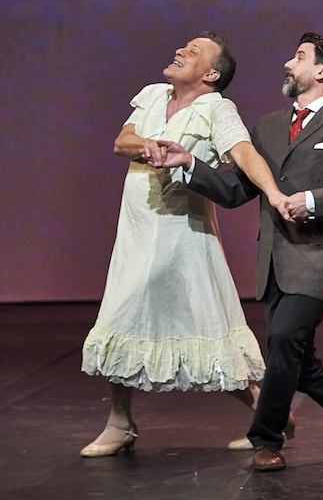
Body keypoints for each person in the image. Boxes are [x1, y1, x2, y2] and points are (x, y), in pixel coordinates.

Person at [149, 32, 323, 471]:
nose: (287, 63)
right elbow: (237, 188)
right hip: (276, 258)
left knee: (283, 341)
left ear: (322, 71)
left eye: (299, 57)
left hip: (321, 255)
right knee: (295, 357)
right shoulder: (267, 127)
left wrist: (314, 201)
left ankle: (265, 438)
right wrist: (189, 164)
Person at [80, 32, 292, 457]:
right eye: (182, 47)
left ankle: (266, 412)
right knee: (124, 315)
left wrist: (273, 193)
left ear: (212, 73)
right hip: (138, 228)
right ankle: (120, 422)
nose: (179, 51)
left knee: (202, 326)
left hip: (182, 231)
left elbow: (245, 153)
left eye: (192, 52)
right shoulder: (154, 96)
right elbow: (122, 141)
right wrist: (149, 146)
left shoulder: (216, 108)